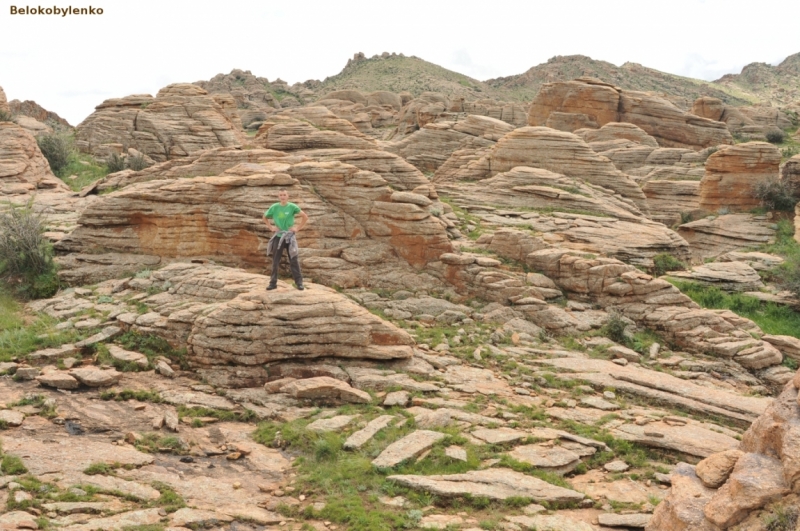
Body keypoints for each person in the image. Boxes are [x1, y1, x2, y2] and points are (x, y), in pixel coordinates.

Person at [264, 189, 308, 290]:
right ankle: (273, 283)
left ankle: (299, 283)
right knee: (275, 261)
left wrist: (297, 228)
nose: (282, 197)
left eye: (284, 195)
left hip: (289, 237)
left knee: (294, 260)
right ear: (278, 197)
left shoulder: (292, 207)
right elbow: (264, 217)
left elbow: (305, 216)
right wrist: (271, 227)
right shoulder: (274, 207)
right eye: (281, 195)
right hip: (278, 237)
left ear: (288, 196)